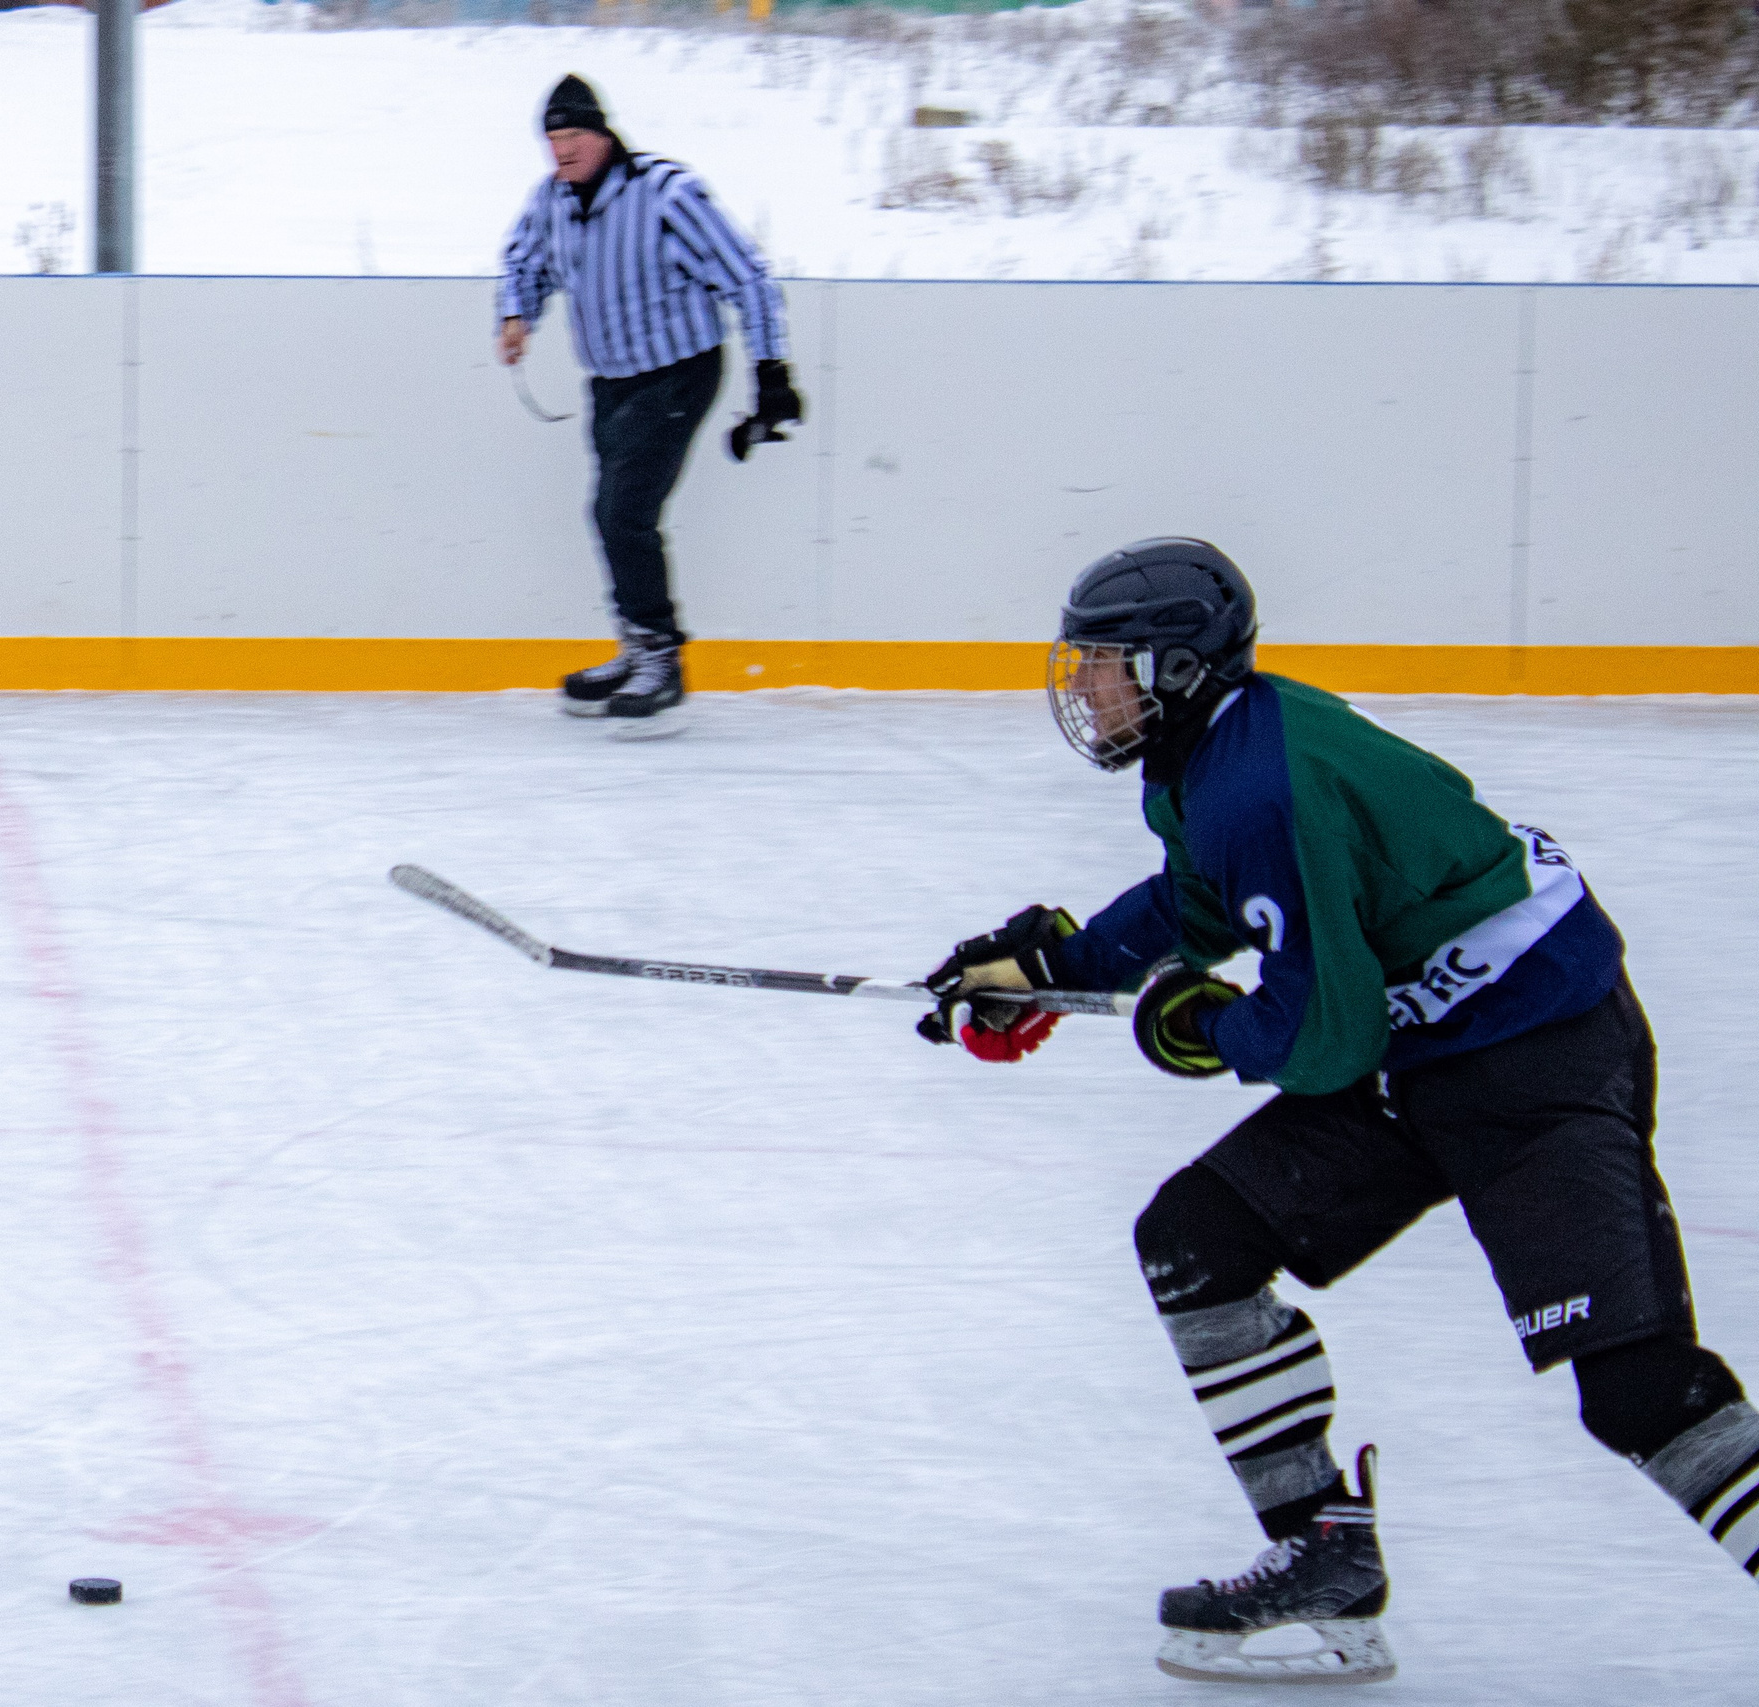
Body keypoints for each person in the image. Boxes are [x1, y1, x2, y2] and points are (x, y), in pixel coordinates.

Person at [917, 537, 1756, 1684]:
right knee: (1195, 1242)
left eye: (1106, 663)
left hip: (1536, 1062)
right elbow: (1198, 900)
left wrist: (1200, 1028)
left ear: (1174, 669)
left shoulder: (1264, 785)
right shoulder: (1210, 757)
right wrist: (1063, 966)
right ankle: (1323, 1557)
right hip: (1426, 1047)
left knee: (1638, 1391)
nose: (1085, 688)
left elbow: (1325, 1036)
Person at [496, 74, 801, 726]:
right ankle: (638, 647)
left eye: (574, 134)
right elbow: (525, 259)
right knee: (607, 514)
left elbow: (745, 274)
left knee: (623, 509)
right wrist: (516, 314)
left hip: (678, 372)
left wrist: (770, 372)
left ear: (604, 135)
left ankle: (661, 657)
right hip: (611, 384)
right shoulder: (552, 200)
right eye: (552, 138)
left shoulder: (664, 193)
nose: (562, 150)